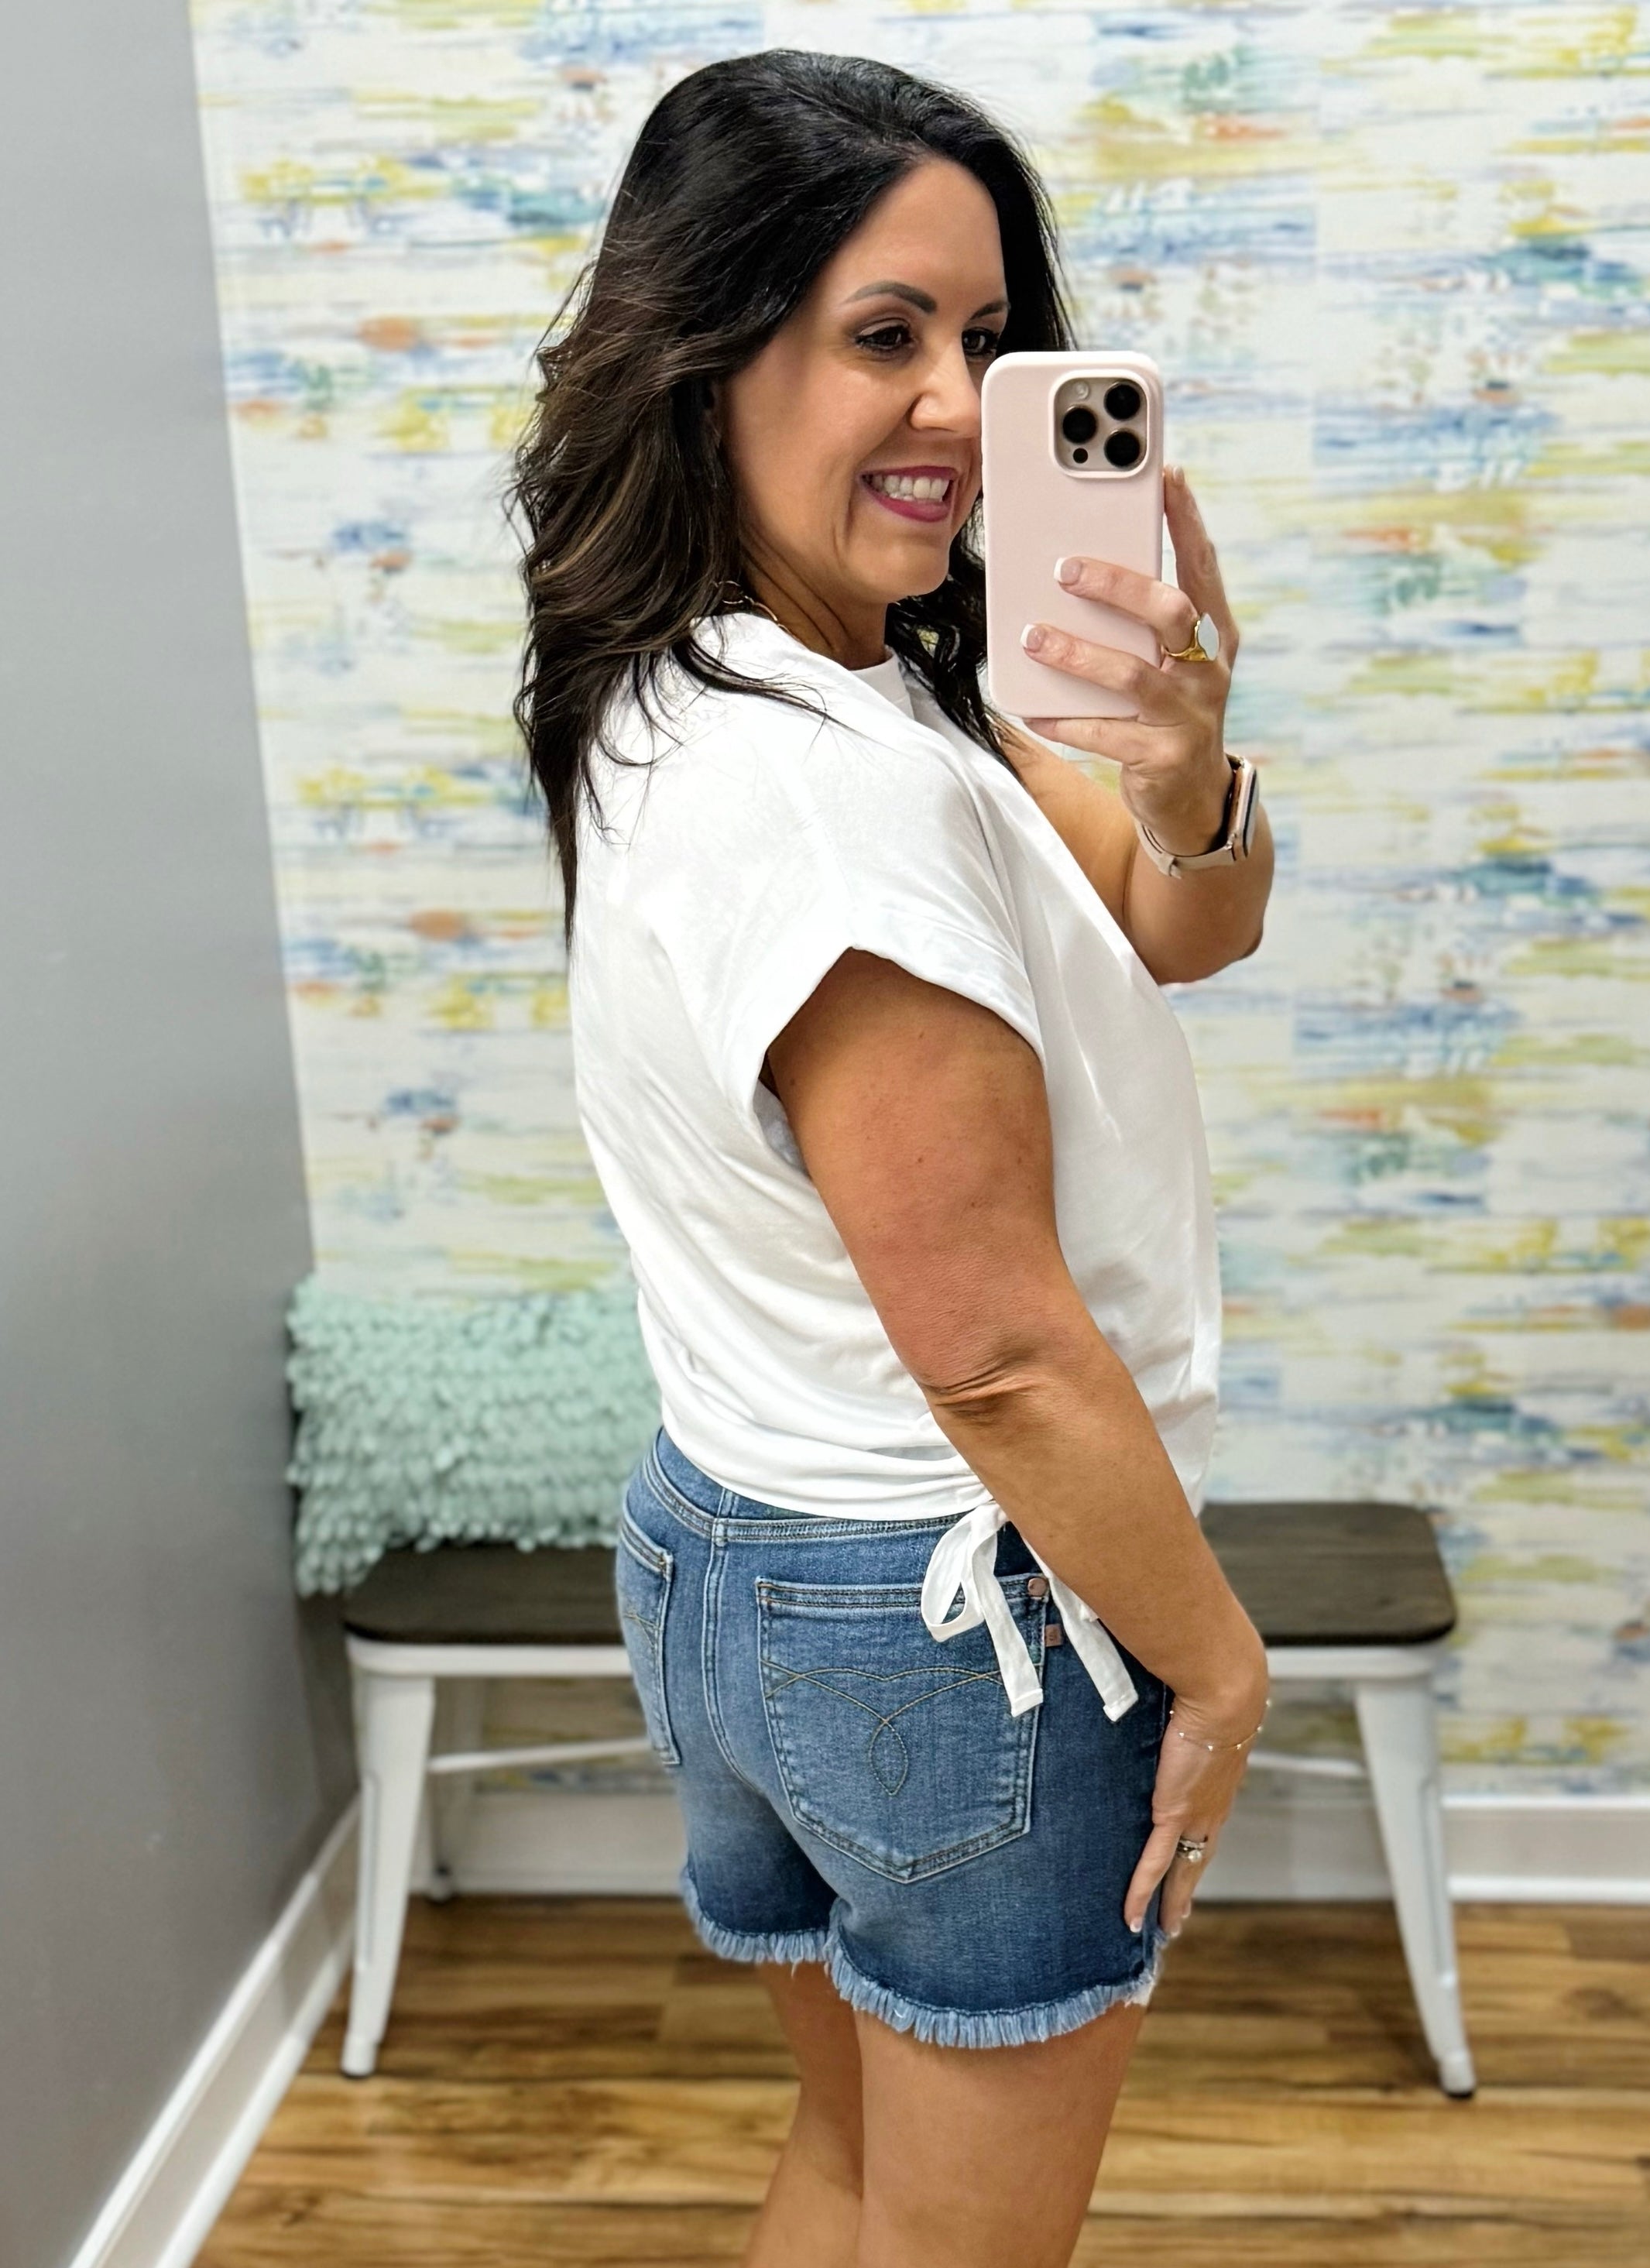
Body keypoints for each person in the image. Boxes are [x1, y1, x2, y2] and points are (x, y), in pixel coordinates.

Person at [509, 47, 1275, 2268]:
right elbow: (1001, 1353)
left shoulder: (730, 686)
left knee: (854, 2173)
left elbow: (1177, 922)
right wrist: (1217, 1662)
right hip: (949, 1616)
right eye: (885, 333)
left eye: (988, 338)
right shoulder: (835, 797)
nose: (958, 398)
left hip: (727, 1548)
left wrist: (1187, 755)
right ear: (706, 344)